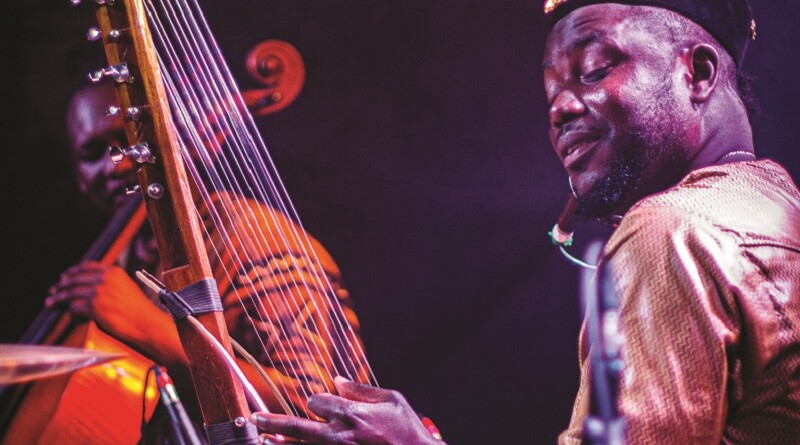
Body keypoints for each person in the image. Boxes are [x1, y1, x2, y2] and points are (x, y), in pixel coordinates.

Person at [251, 0, 800, 444]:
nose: (560, 109)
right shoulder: (775, 211)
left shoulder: (671, 230)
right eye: (551, 92)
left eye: (594, 70)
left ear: (696, 73)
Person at [46, 78, 371, 440]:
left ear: (174, 140)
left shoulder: (251, 242)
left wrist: (151, 329)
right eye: (92, 154)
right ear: (78, 177)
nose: (115, 166)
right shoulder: (128, 256)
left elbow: (315, 405)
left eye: (131, 141)